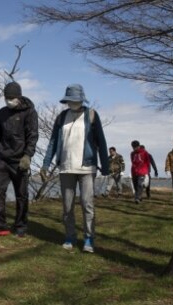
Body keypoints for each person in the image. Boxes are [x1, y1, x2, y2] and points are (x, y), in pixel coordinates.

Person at [40, 84, 109, 253]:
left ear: (81, 99)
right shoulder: (62, 117)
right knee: (67, 206)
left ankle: (88, 238)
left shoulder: (91, 115)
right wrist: (45, 164)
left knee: (87, 203)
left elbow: (101, 140)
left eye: (75, 100)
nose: (72, 103)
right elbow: (53, 142)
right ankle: (70, 236)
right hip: (66, 167)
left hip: (86, 167)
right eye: (69, 100)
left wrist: (105, 166)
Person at [0, 81, 39, 237]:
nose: (9, 100)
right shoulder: (2, 113)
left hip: (20, 160)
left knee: (21, 194)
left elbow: (32, 136)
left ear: (19, 97)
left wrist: (28, 155)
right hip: (2, 158)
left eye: (12, 97)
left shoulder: (29, 112)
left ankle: (21, 226)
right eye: (6, 97)